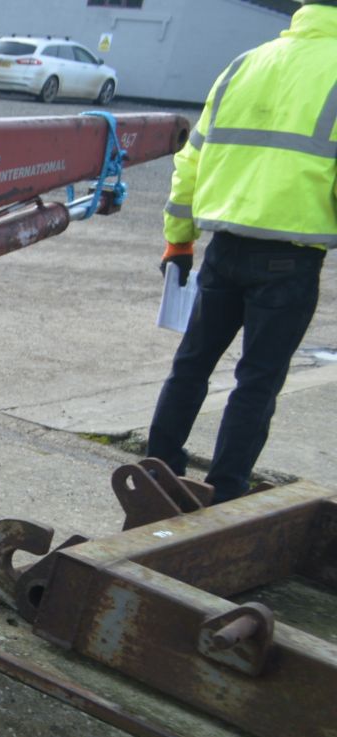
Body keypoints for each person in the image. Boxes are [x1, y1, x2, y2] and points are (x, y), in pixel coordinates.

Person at [146, 0, 337, 503]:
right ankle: (226, 492)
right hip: (290, 260)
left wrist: (179, 238)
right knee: (257, 381)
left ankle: (155, 472)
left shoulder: (244, 63)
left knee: (191, 365)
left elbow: (191, 161)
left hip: (222, 249)